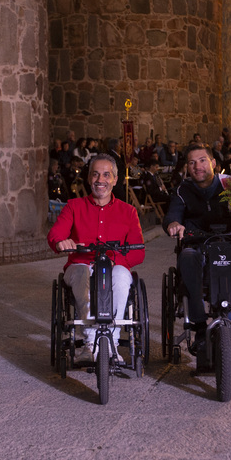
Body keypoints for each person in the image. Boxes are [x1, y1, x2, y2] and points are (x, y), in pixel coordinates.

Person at [163, 144, 231, 371]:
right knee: (188, 259)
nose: (197, 166)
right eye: (192, 163)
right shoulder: (183, 190)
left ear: (213, 163)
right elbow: (173, 213)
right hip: (197, 243)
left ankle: (230, 325)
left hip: (230, 242)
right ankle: (200, 324)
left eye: (202, 160)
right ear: (187, 168)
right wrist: (174, 223)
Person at [48, 154, 145, 359]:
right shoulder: (74, 207)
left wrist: (115, 261)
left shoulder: (128, 212)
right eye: (95, 174)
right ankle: (91, 342)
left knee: (119, 275)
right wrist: (61, 242)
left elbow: (138, 251)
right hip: (80, 264)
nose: (100, 180)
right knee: (83, 273)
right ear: (89, 178)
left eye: (106, 175)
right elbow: (55, 234)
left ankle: (112, 341)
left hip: (114, 265)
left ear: (115, 179)